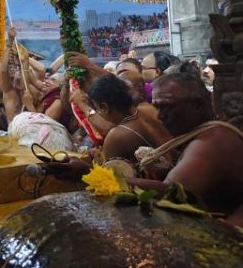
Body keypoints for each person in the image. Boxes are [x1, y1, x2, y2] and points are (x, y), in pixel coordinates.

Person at [48, 73, 243, 227]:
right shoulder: (204, 132)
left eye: (166, 107)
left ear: (198, 105)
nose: (160, 116)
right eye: (157, 107)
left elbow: (169, 193)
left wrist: (89, 174)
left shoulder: (211, 142)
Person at [69, 75, 171, 163]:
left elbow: (107, 172)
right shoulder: (147, 108)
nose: (98, 113)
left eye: (97, 109)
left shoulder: (117, 135)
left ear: (104, 107)